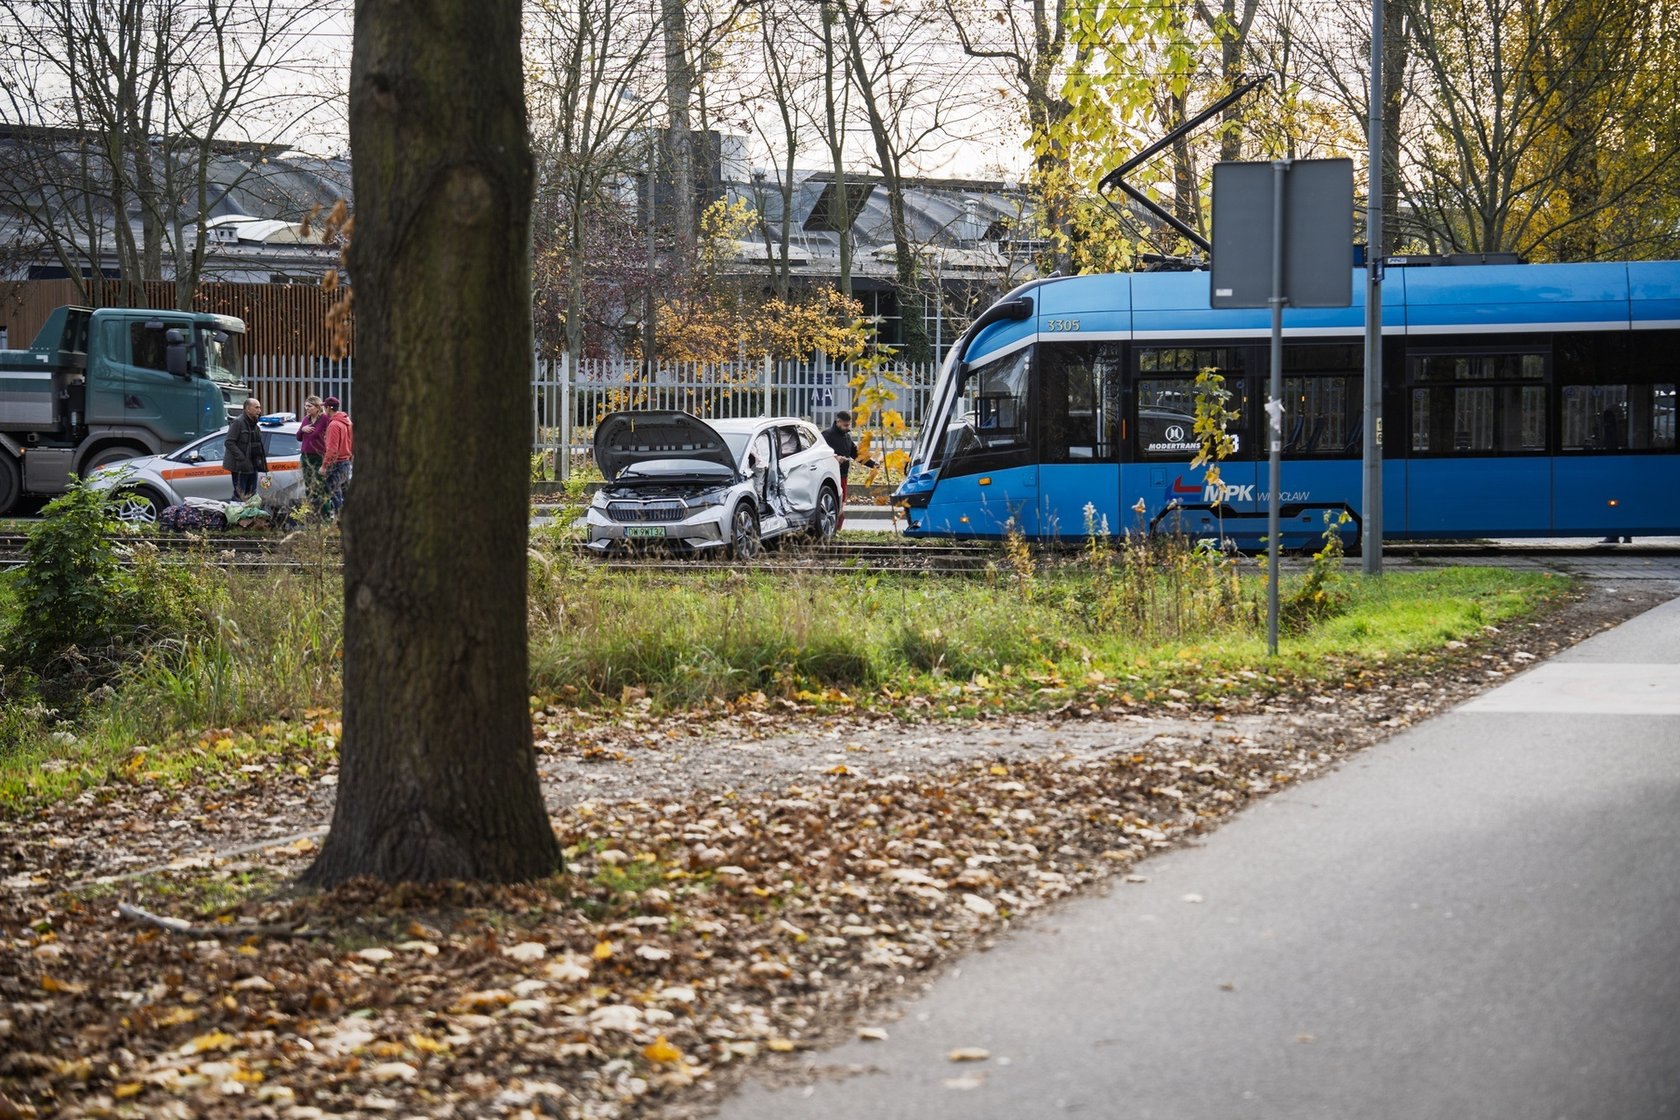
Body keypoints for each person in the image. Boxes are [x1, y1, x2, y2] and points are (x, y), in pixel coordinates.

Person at [821, 410, 876, 531]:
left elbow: (856, 454)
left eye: (849, 425)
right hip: (830, 476)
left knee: (841, 504)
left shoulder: (846, 436)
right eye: (845, 425)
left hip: (843, 476)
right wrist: (835, 458)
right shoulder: (826, 435)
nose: (848, 428)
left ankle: (837, 530)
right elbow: (820, 453)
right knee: (832, 504)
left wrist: (872, 464)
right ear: (838, 422)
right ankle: (830, 529)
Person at [222, 396, 268, 500]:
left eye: (260, 408)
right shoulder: (238, 422)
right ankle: (237, 510)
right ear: (248, 409)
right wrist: (242, 458)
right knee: (240, 495)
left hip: (253, 465)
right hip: (240, 467)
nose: (259, 410)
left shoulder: (255, 424)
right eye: (256, 407)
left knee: (251, 495)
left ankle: (248, 511)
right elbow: (229, 442)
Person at [321, 396, 354, 519]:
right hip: (346, 462)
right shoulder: (347, 422)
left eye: (324, 407)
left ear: (329, 408)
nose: (323, 410)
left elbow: (332, 449)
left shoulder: (334, 425)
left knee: (334, 492)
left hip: (337, 464)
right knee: (344, 494)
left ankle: (340, 520)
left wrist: (324, 466)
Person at [297, 394, 329, 518]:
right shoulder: (306, 419)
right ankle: (313, 513)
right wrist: (302, 430)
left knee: (320, 486)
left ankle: (324, 515)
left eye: (309, 406)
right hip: (306, 456)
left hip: (319, 456)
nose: (307, 408)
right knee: (308, 486)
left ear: (317, 407)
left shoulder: (324, 418)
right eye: (306, 406)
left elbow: (325, 434)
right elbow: (298, 437)